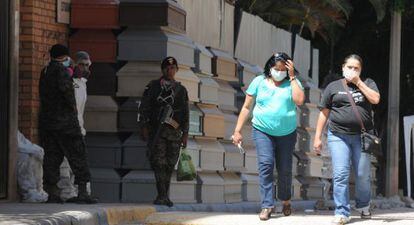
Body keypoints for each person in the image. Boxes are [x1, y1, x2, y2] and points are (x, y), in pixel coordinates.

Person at [232, 52, 305, 220]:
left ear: (288, 69)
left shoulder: (292, 82)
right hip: (262, 130)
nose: (278, 72)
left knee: (284, 169)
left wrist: (293, 77)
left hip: (287, 133)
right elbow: (246, 107)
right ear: (269, 67)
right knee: (265, 165)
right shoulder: (259, 81)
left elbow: (300, 100)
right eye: (275, 68)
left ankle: (285, 199)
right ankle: (267, 205)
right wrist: (237, 130)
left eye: (282, 69)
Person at [313, 54, 380, 225]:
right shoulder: (333, 87)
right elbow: (324, 113)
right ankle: (342, 211)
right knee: (341, 173)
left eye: (356, 68)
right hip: (338, 136)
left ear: (360, 70)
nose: (352, 70)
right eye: (349, 67)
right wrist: (317, 137)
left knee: (362, 174)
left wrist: (358, 82)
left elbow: (375, 99)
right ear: (343, 68)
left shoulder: (368, 83)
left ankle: (363, 205)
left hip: (362, 136)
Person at [39, 44, 97, 204]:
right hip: (66, 124)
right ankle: (83, 193)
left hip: (49, 123)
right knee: (78, 157)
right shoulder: (62, 72)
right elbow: (69, 97)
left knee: (52, 158)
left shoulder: (44, 72)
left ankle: (52, 193)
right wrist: (72, 113)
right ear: (64, 56)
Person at [138, 56, 189, 207]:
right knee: (159, 163)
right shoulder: (153, 86)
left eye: (173, 68)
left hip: (174, 133)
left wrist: (185, 134)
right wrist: (144, 127)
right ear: (163, 69)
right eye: (167, 68)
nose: (170, 70)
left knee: (169, 164)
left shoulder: (181, 89)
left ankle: (165, 195)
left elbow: (185, 113)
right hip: (157, 132)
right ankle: (161, 195)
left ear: (176, 70)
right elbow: (144, 108)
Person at [72, 51, 92, 136]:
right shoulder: (69, 81)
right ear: (75, 64)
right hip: (70, 128)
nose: (84, 68)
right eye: (81, 64)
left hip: (79, 128)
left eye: (86, 65)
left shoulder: (83, 83)